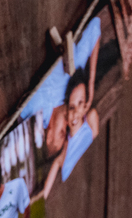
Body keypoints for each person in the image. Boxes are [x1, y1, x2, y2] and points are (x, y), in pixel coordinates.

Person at [20, 16, 102, 156]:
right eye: (67, 131)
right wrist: (91, 83)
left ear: (49, 134)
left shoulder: (36, 110)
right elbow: (95, 26)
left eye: (62, 132)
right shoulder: (73, 88)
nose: (67, 124)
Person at [42, 69, 100, 198]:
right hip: (73, 192)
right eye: (72, 107)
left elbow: (97, 147)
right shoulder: (66, 146)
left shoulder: (90, 119)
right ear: (66, 113)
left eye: (80, 103)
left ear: (86, 104)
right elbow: (56, 165)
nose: (76, 113)